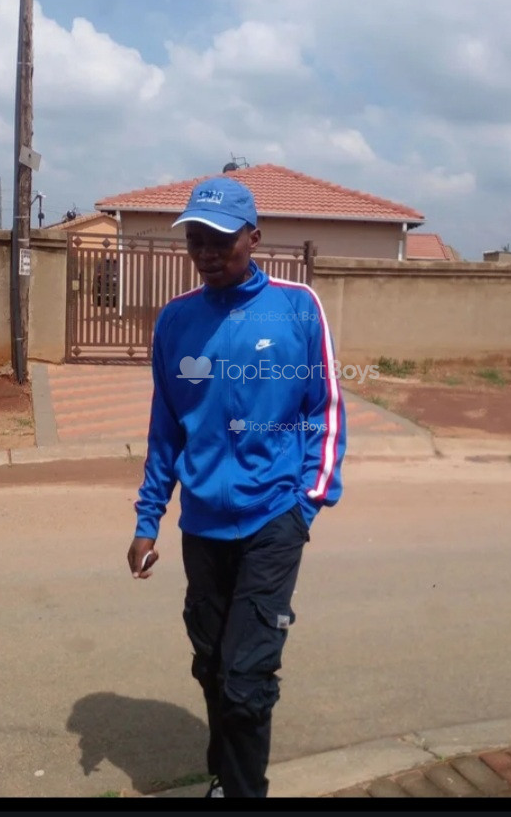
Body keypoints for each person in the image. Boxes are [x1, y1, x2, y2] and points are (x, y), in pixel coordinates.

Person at [127, 175, 346, 798]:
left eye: (221, 238)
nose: (207, 251)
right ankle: (227, 776)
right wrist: (148, 519)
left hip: (273, 518)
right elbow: (166, 428)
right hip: (201, 524)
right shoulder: (176, 321)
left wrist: (307, 505)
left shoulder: (296, 307)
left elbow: (324, 410)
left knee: (246, 678)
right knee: (212, 664)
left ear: (254, 237)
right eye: (196, 239)